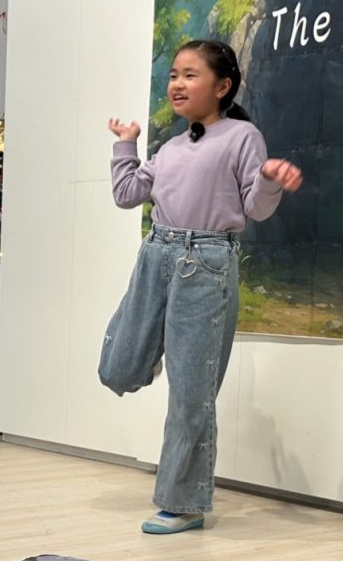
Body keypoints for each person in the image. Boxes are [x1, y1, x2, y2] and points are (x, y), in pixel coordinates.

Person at [100, 39, 303, 534]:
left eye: (190, 75)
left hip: (207, 263)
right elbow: (126, 194)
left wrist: (270, 178)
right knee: (117, 368)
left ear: (223, 86)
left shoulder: (242, 136)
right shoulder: (170, 148)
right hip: (156, 254)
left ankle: (184, 504)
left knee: (191, 396)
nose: (177, 84)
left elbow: (256, 208)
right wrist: (126, 144)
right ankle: (162, 352)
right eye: (174, 74)